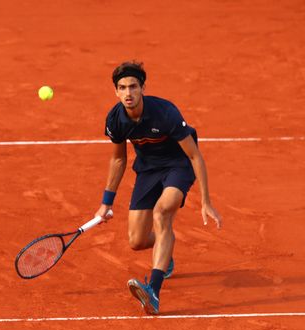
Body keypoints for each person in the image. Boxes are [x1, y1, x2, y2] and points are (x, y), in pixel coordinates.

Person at [94, 61, 222, 315]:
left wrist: (206, 201)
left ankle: (153, 289)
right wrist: (106, 202)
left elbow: (195, 156)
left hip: (178, 166)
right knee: (137, 241)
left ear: (143, 88)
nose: (128, 93)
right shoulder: (115, 119)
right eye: (122, 88)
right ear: (116, 92)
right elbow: (119, 159)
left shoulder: (165, 113)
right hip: (148, 170)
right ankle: (166, 251)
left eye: (133, 86)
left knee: (162, 213)